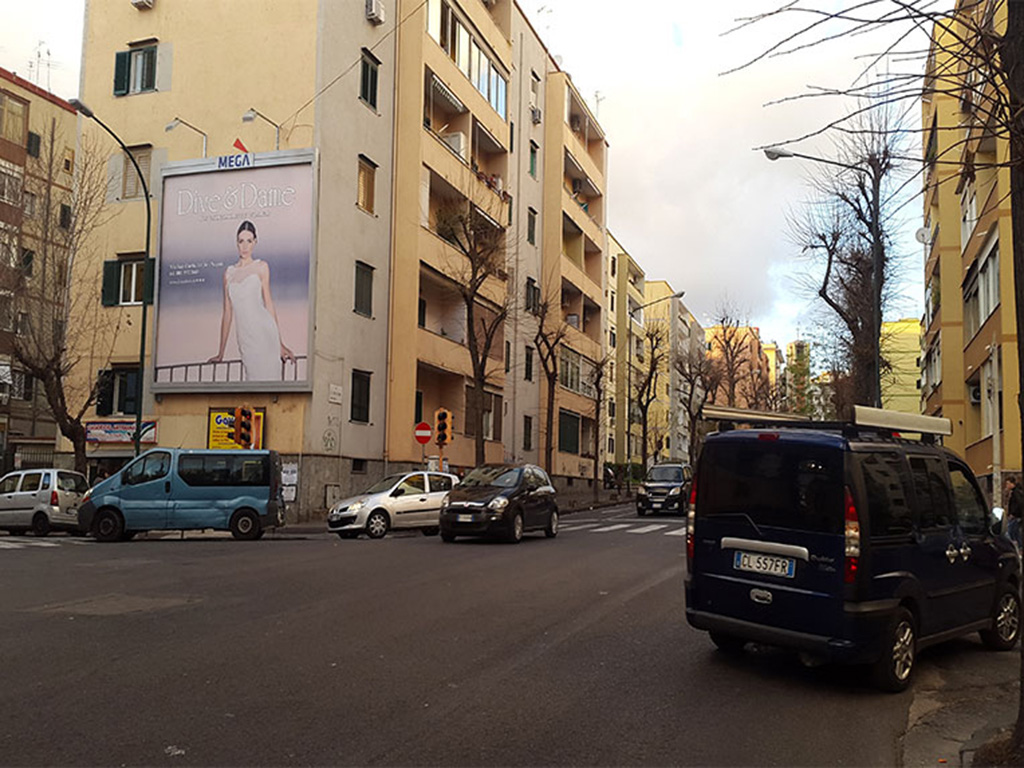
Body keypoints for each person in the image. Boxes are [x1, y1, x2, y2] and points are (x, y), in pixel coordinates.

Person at [208, 220, 294, 381]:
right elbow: (227, 313)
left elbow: (269, 304)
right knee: (253, 379)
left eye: (249, 241)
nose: (245, 246)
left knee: (269, 382)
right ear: (236, 243)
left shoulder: (261, 267)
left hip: (265, 333)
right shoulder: (229, 273)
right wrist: (221, 353)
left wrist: (279, 343)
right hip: (245, 338)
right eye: (241, 241)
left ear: (255, 242)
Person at [1006, 476, 1024, 548]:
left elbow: (1019, 503)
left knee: (1009, 532)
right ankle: (1020, 547)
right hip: (1017, 516)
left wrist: (1013, 513)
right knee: (1016, 533)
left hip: (1015, 516)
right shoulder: (1015, 492)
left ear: (1012, 484)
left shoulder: (1016, 493)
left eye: (1008, 483)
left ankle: (1012, 547)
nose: (1006, 486)